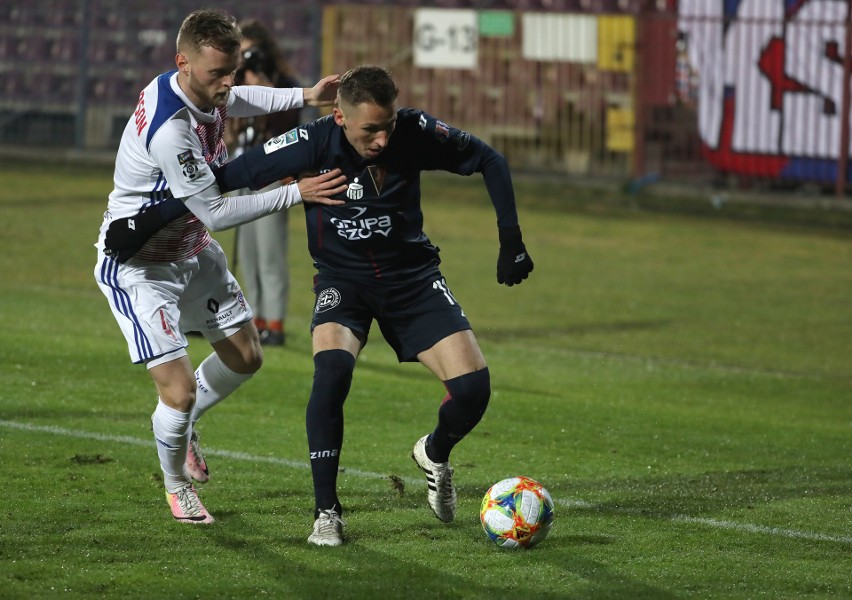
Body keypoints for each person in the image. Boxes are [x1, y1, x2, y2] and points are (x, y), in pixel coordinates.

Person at [104, 65, 533, 544]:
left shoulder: (413, 132)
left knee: (474, 390)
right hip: (343, 284)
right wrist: (145, 221)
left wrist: (511, 240)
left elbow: (489, 160)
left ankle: (434, 452)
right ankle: (327, 512)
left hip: (413, 279)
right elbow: (224, 179)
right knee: (330, 377)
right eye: (371, 129)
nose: (383, 140)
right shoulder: (310, 143)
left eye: (388, 125)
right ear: (340, 118)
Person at [93, 9, 346, 526]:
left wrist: (306, 95)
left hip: (192, 250)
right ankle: (177, 486)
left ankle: (184, 430)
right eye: (218, 75)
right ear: (182, 62)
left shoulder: (198, 86)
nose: (228, 84)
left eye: (231, 71)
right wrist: (294, 194)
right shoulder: (172, 129)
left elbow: (241, 97)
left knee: (247, 357)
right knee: (179, 392)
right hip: (142, 266)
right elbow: (218, 211)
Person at [226, 19, 303, 346]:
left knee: (270, 251)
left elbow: (290, 126)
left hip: (272, 175)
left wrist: (268, 92)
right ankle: (254, 318)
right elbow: (228, 130)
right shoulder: (238, 82)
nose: (246, 60)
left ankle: (275, 322)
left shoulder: (284, 83)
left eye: (251, 52)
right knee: (248, 252)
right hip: (242, 170)